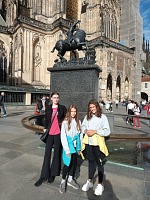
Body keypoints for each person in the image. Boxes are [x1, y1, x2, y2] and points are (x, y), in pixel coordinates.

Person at [34, 92, 67, 187]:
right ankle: (43, 175)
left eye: (57, 97)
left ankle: (53, 174)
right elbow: (46, 119)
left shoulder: (62, 108)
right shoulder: (48, 108)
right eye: (54, 97)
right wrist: (45, 127)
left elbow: (66, 118)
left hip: (58, 134)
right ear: (51, 99)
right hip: (50, 134)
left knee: (57, 154)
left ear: (59, 99)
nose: (56, 99)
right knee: (47, 154)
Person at [81, 99, 110, 196]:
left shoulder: (103, 117)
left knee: (100, 163)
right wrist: (85, 131)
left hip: (98, 144)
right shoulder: (87, 117)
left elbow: (107, 131)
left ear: (97, 107)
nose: (92, 109)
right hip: (89, 143)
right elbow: (82, 126)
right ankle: (89, 180)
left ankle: (100, 184)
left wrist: (95, 131)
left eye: (94, 107)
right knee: (91, 162)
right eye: (91, 108)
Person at [59, 105, 81, 194]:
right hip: (68, 147)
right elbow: (63, 137)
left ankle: (71, 179)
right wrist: (67, 150)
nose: (73, 113)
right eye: (72, 111)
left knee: (74, 164)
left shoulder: (78, 121)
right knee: (67, 164)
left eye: (75, 111)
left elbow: (80, 135)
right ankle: (63, 181)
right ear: (69, 112)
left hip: (76, 147)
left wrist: (79, 147)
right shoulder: (65, 122)